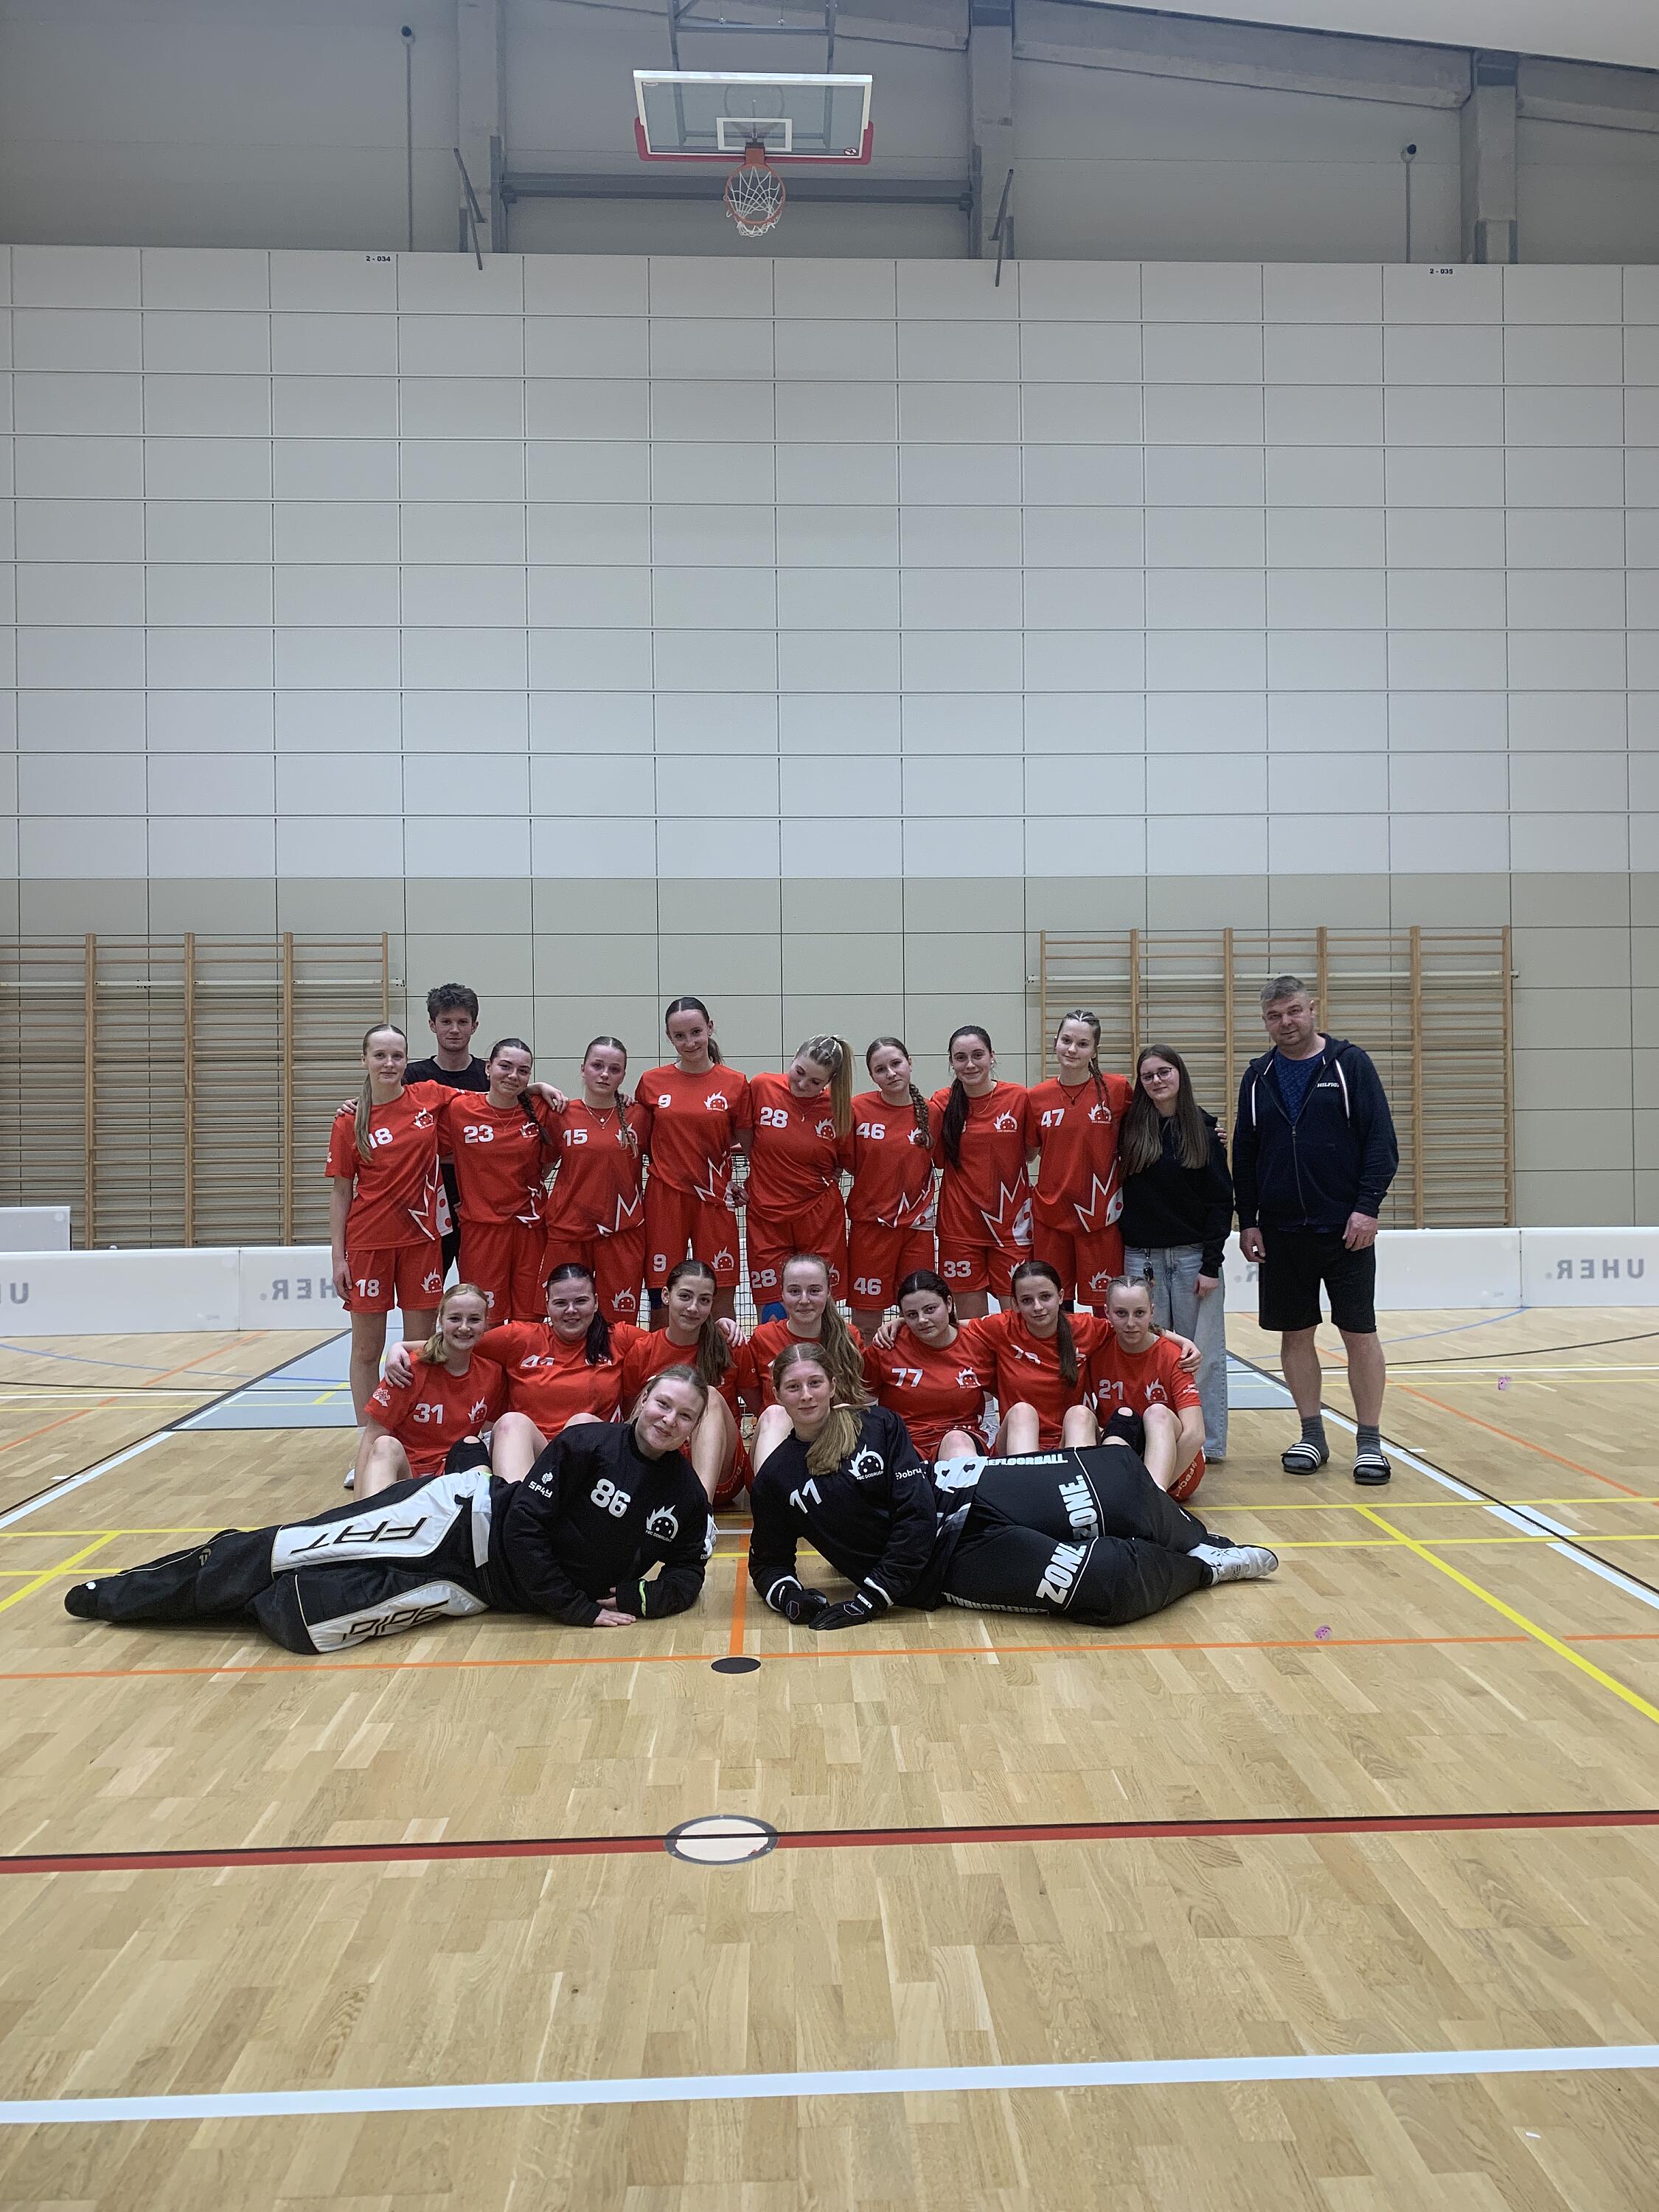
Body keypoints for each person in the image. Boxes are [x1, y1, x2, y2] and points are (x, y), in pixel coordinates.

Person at [65, 1370, 715, 1652]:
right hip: (458, 1518)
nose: (669, 1420)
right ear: (643, 1401)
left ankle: (233, 1598)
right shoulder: (587, 1445)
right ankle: (128, 1594)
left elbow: (689, 1571)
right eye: (663, 1404)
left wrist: (641, 1598)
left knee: (308, 1624)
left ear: (693, 1428)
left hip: (478, 1590)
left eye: (685, 1416)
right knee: (292, 1549)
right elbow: (523, 1529)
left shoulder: (685, 1496)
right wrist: (576, 1609)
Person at [748, 1341, 1275, 1634]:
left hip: (968, 1491)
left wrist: (872, 1595)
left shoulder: (876, 1423)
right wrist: (792, 1598)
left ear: (832, 1385)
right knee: (1105, 1584)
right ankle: (1202, 1570)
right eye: (793, 1387)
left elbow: (914, 1511)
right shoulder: (777, 1478)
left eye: (814, 1383)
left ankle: (1196, 1541)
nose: (806, 1395)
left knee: (1113, 1481)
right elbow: (768, 1562)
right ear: (777, 1395)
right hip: (945, 1563)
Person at [1233, 975, 1399, 1486]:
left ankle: (1369, 1443)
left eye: (1293, 1012)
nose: (1285, 1023)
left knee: (1359, 1334)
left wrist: (1366, 1209)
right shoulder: (1258, 1076)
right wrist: (1249, 1220)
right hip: (1281, 1233)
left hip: (1346, 1230)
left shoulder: (1351, 1065)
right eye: (1274, 1016)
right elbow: (1245, 1155)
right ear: (1265, 1021)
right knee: (1295, 1335)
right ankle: (1312, 1435)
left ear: (1312, 1009)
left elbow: (1381, 1144)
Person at [381, 1259, 647, 1470]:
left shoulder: (620, 1338)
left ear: (596, 1302)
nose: (571, 1310)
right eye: (560, 1303)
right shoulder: (519, 1338)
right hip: (530, 1452)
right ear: (547, 1305)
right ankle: (514, 1509)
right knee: (511, 1422)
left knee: (582, 1423)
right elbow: (459, 1341)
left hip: (589, 1457)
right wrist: (401, 1347)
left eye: (581, 1301)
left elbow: (667, 1346)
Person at [1118, 1043, 1234, 1463]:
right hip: (1142, 1259)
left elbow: (1221, 1202)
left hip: (1192, 1260)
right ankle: (1158, 1440)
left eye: (1164, 1072)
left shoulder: (1204, 1131)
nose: (1157, 1081)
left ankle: (1208, 1445)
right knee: (1151, 1354)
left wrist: (1211, 1264)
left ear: (1179, 1074)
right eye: (1148, 1076)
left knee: (1202, 1354)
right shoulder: (1129, 1130)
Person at [326, 1023, 447, 1422]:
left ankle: (417, 1431)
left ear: (407, 1060)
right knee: (366, 1350)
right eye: (380, 1055)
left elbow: (492, 1097)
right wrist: (339, 1258)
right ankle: (369, 1438)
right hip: (368, 1244)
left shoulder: (428, 1097)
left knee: (422, 1346)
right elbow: (341, 1193)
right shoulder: (349, 1121)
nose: (389, 1063)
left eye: (397, 1056)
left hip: (421, 1241)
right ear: (364, 1060)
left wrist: (537, 1088)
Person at [634, 996, 750, 1325]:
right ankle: (663, 1356)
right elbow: (638, 1141)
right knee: (662, 1293)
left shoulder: (736, 1083)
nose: (690, 1042)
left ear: (710, 1028)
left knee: (720, 1292)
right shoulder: (651, 1082)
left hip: (714, 1199)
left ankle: (720, 1357)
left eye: (696, 1032)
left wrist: (749, 1184)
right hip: (664, 1197)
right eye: (680, 1036)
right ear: (669, 1037)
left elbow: (752, 1146)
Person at [438, 1037, 558, 1324]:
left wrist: (538, 1088)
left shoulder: (540, 1110)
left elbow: (548, 1160)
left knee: (529, 1323)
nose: (513, 1076)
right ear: (488, 1068)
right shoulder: (459, 1109)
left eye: (523, 1071)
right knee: (485, 1320)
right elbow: (435, 1151)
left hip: (531, 1229)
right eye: (505, 1066)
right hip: (481, 1232)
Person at [736, 1035, 853, 1320]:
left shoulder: (839, 1108)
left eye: (815, 1082)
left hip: (819, 1216)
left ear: (829, 1082)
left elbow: (850, 1158)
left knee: (818, 1305)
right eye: (799, 1072)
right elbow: (742, 1136)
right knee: (772, 1309)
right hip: (766, 1215)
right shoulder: (762, 1087)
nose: (802, 1084)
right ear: (793, 1058)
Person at [353, 1281, 506, 1497]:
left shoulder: (492, 1373)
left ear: (485, 1324)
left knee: (473, 1444)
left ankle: (484, 1513)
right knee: (385, 1445)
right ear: (440, 1320)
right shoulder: (406, 1369)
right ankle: (370, 1512)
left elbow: (490, 1433)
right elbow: (372, 1437)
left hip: (453, 1476)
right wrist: (356, 1505)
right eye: (455, 1318)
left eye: (474, 1319)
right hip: (407, 1477)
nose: (464, 1327)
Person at [1026, 1008, 1134, 1311]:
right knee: (1054, 1307)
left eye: (1083, 1044)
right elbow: (1027, 1153)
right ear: (1055, 1043)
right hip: (1051, 1215)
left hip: (1101, 1217)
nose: (1072, 1049)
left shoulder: (1117, 1090)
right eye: (1066, 1040)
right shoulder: (1036, 1097)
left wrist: (1208, 1129)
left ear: (1095, 1051)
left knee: (1106, 1308)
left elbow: (1152, 1126)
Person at [928, 1025, 1034, 1318]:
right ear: (952, 1062)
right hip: (960, 1227)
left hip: (1011, 1228)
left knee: (1018, 1321)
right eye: (961, 1057)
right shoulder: (941, 1102)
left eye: (978, 1055)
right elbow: (936, 1159)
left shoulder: (1018, 1098)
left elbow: (1029, 1153)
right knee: (970, 1326)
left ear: (992, 1056)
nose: (970, 1064)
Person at [542, 1036, 648, 1325]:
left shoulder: (640, 1115)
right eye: (597, 1066)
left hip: (622, 1232)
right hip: (569, 1231)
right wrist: (538, 1087)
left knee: (619, 1324)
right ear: (583, 1068)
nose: (604, 1074)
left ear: (623, 1076)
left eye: (614, 1069)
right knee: (568, 1318)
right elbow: (542, 1168)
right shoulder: (560, 1113)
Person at [620, 1259, 745, 1504]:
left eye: (704, 1300)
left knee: (708, 1394)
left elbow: (761, 1405)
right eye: (685, 1296)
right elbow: (631, 1416)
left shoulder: (729, 1345)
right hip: (662, 1464)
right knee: (650, 1398)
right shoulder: (643, 1350)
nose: (693, 1308)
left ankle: (702, 1511)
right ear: (666, 1296)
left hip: (721, 1472)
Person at [964, 1256, 1110, 1454]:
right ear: (1015, 1304)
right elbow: (949, 1327)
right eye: (1027, 1300)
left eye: (1045, 1297)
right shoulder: (1003, 1327)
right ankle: (1029, 1473)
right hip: (1016, 1438)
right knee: (1022, 1411)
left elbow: (1135, 1329)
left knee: (1080, 1414)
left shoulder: (1085, 1327)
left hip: (1071, 1437)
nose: (1038, 1307)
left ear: (1060, 1296)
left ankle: (1075, 1471)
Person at [737, 1250, 866, 1469]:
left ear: (828, 1292)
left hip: (834, 1448)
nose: (804, 1300)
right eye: (795, 1291)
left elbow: (861, 1398)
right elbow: (754, 1399)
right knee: (775, 1413)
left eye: (814, 1290)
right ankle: (772, 1488)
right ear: (782, 1293)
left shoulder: (849, 1337)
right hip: (779, 1444)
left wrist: (898, 1324)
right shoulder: (764, 1337)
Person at [844, 1037, 937, 1336]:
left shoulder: (932, 1113)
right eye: (881, 1069)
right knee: (866, 1322)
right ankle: (867, 1368)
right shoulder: (857, 1109)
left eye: (896, 1064)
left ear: (910, 1063)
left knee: (919, 1316)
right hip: (871, 1229)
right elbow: (845, 1162)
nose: (891, 1073)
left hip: (917, 1231)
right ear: (872, 1076)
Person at [1088, 1275, 1208, 1498]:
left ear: (1152, 1312)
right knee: (1096, 1417)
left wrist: (1147, 1493)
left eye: (1139, 1313)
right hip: (1121, 1449)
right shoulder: (1097, 1347)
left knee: (1157, 1413)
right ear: (1107, 1313)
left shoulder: (1174, 1356)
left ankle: (1153, 1499)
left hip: (1177, 1463)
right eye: (1121, 1313)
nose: (1130, 1323)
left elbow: (1195, 1435)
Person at [860, 1267, 989, 1463]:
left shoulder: (977, 1345)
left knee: (956, 1441)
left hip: (961, 1439)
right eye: (912, 1314)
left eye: (930, 1310)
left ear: (949, 1303)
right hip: (903, 1444)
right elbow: (860, 1395)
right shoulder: (888, 1345)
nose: (922, 1320)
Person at [404, 984, 490, 1277]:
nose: (454, 1029)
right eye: (446, 1021)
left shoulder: (490, 1075)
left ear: (474, 1026)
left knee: (479, 1288)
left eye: (462, 1022)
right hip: (426, 1200)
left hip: (478, 1200)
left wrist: (538, 1087)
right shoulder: (412, 1077)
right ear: (432, 1025)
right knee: (427, 1287)